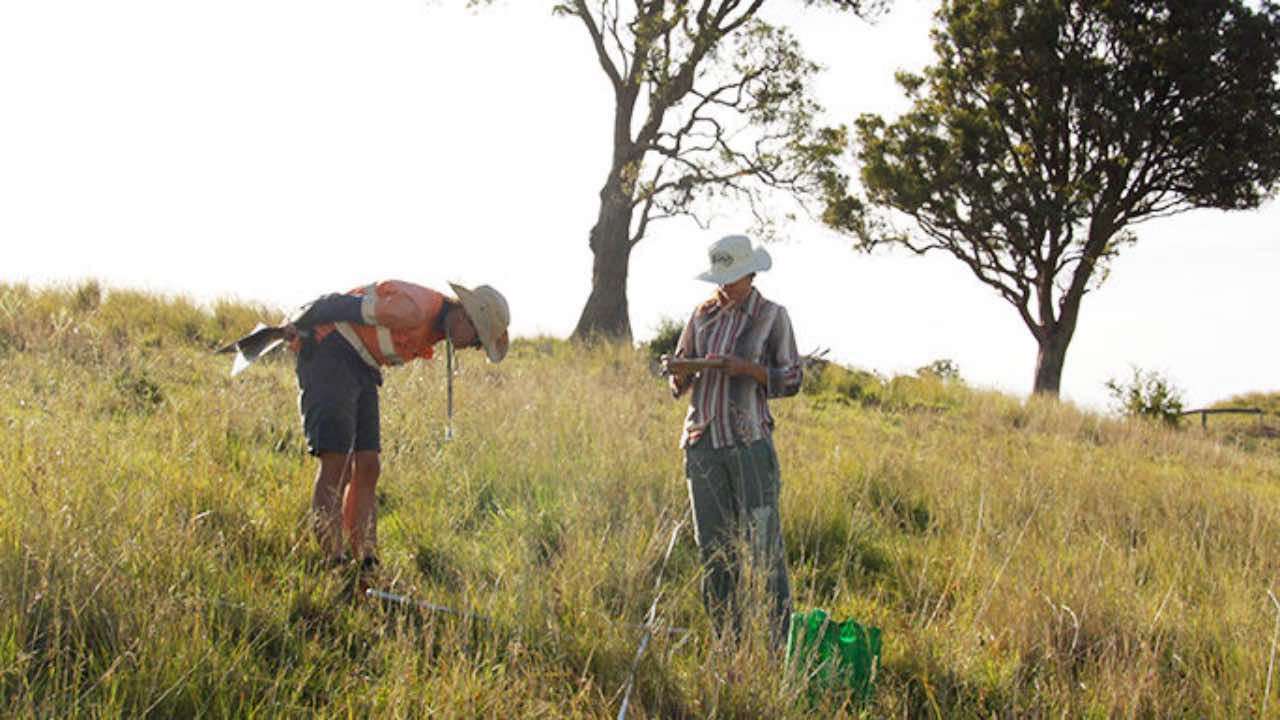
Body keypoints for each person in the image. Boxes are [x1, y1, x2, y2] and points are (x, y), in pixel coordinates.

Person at [278, 280, 510, 570]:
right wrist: (295, 322)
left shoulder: (438, 328)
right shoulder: (412, 309)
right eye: (477, 339)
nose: (474, 347)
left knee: (369, 465)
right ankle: (333, 564)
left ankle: (366, 562)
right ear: (465, 315)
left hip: (362, 365)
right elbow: (337, 304)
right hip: (330, 352)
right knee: (338, 462)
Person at [661, 234, 803, 644]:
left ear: (750, 273)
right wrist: (680, 369)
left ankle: (778, 647)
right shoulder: (701, 315)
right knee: (715, 553)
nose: (726, 286)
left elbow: (791, 378)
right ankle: (729, 645)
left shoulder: (773, 317)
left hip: (749, 443)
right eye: (721, 278)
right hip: (703, 442)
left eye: (733, 277)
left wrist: (748, 369)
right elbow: (678, 383)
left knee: (764, 549)